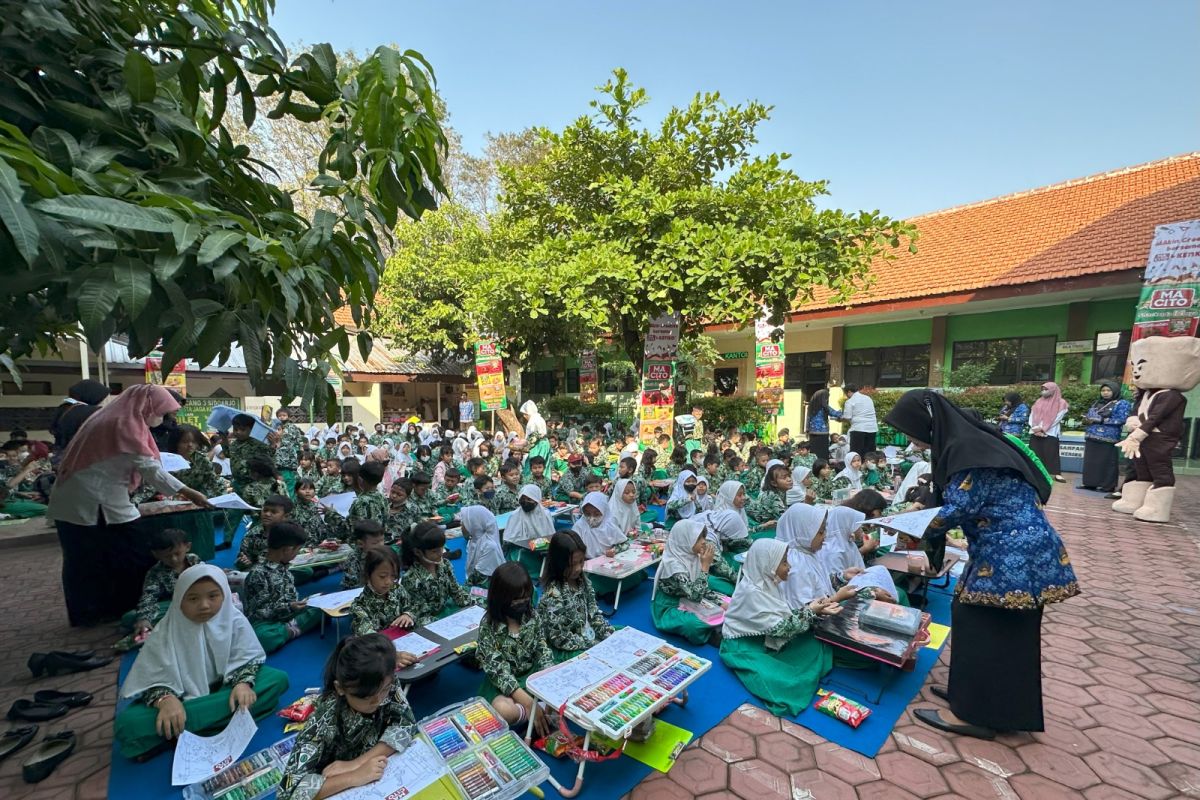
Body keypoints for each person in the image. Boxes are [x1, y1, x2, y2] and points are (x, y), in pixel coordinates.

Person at [885, 389, 1079, 738]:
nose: (910, 439)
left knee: (985, 626)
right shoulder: (970, 440)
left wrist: (902, 524)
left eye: (909, 429)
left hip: (1009, 554)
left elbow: (960, 507)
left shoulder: (964, 448)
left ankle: (974, 714)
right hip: (1013, 548)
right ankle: (980, 699)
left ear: (925, 423)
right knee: (996, 626)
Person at [48, 384, 210, 626]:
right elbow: (151, 469)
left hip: (90, 496)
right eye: (161, 411)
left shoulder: (114, 419)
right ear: (147, 406)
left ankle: (104, 610)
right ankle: (115, 609)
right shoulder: (124, 425)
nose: (162, 418)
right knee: (122, 551)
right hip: (92, 498)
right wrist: (190, 493)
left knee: (92, 556)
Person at [115, 565, 288, 760]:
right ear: (179, 600)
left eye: (213, 596)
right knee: (128, 723)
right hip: (182, 698)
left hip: (226, 688)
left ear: (224, 595)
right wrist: (166, 701)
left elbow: (247, 658)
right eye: (193, 599)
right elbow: (151, 676)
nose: (204, 605)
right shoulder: (167, 630)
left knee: (277, 679)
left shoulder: (234, 620)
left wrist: (242, 683)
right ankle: (218, 721)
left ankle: (175, 731)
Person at [277, 634, 419, 800]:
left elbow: (407, 723)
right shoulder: (323, 719)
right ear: (340, 688)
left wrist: (357, 763)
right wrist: (353, 777)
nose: (378, 701)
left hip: (373, 770)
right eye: (365, 697)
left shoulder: (383, 681)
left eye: (384, 690)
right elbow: (288, 794)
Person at [719, 538, 839, 716]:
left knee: (813, 643)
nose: (788, 566)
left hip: (765, 637)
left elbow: (783, 617)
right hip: (744, 646)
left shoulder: (768, 582)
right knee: (786, 684)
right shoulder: (752, 592)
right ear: (768, 564)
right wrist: (810, 611)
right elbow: (780, 628)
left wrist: (812, 610)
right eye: (784, 562)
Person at [476, 562, 554, 734]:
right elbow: (498, 671)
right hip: (503, 685)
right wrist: (528, 703)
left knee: (564, 682)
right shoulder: (489, 626)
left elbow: (542, 649)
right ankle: (533, 712)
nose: (523, 603)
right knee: (503, 710)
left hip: (532, 676)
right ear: (500, 599)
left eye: (526, 598)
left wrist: (549, 680)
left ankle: (537, 711)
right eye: (516, 600)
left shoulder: (531, 615)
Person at [243, 522, 323, 652]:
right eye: (297, 550)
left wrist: (301, 603)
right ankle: (291, 629)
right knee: (265, 637)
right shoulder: (257, 574)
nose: (296, 555)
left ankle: (290, 628)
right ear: (287, 550)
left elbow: (290, 597)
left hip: (290, 612)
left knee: (322, 605)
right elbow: (259, 613)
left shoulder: (283, 567)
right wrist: (289, 607)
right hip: (267, 622)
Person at [538, 531, 616, 661]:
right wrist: (592, 643)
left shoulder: (583, 582)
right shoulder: (553, 595)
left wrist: (608, 634)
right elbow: (559, 638)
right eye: (571, 564)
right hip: (568, 647)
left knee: (617, 635)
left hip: (585, 634)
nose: (578, 568)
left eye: (581, 561)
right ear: (559, 563)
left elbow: (593, 613)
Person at [651, 519, 725, 646]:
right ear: (684, 541)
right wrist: (705, 566)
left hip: (688, 598)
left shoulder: (691, 556)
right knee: (692, 625)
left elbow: (702, 590)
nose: (704, 541)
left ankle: (714, 626)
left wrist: (720, 602)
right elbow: (696, 596)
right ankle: (711, 634)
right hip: (669, 605)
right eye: (698, 538)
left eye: (703, 537)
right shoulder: (674, 566)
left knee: (725, 600)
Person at [347, 548, 419, 671]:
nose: (388, 582)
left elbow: (414, 606)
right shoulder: (358, 606)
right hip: (379, 652)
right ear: (368, 575)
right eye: (382, 576)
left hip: (403, 641)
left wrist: (408, 614)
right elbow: (369, 637)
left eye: (393, 576)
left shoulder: (397, 589)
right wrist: (393, 655)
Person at [126, 527, 202, 635]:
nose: (174, 559)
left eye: (177, 554)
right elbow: (149, 596)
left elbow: (207, 577)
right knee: (130, 617)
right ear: (156, 554)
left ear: (187, 547)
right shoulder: (155, 573)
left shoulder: (194, 559)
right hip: (175, 605)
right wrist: (144, 618)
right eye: (167, 556)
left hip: (200, 599)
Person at [399, 521, 476, 624]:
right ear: (418, 552)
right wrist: (446, 623)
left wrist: (475, 604)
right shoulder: (411, 578)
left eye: (442, 548)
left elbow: (456, 592)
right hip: (427, 620)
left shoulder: (445, 564)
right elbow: (419, 612)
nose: (440, 553)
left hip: (445, 613)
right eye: (434, 551)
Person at [1080, 380, 1131, 493]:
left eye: (1108, 390)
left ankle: (1107, 486)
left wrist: (1102, 420)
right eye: (1103, 390)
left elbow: (1122, 419)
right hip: (1092, 436)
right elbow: (1091, 415)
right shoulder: (1097, 402)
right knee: (1091, 461)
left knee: (1107, 462)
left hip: (1108, 437)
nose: (1105, 393)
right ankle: (1090, 483)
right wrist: (1087, 419)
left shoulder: (1122, 403)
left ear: (1115, 391)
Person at [236, 494, 291, 570]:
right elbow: (240, 561)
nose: (267, 514)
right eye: (265, 510)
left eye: (273, 512)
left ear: (286, 516)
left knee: (305, 571)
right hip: (258, 571)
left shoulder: (290, 533)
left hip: (283, 569)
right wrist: (244, 562)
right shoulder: (252, 534)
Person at [1028, 381, 1069, 483]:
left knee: (1051, 453)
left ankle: (1056, 473)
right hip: (1035, 430)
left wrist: (1043, 428)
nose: (1044, 391)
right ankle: (1036, 472)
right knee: (1035, 452)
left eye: (1046, 389)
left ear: (1053, 390)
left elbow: (1057, 418)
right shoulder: (1038, 401)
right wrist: (1035, 428)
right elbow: (1032, 415)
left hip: (1050, 431)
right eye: (1042, 389)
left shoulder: (1061, 403)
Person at [459, 504, 505, 587]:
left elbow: (476, 579)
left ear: (473, 523)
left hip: (490, 588)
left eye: (463, 522)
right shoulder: (474, 540)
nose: (461, 526)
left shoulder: (490, 547)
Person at [704, 480, 752, 554]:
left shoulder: (739, 509)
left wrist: (764, 526)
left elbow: (745, 530)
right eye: (739, 495)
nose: (743, 497)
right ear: (729, 497)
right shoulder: (722, 516)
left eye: (744, 494)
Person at [831, 384, 878, 455]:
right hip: (872, 428)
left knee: (856, 453)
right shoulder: (868, 398)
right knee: (869, 453)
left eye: (846, 394)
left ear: (849, 392)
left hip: (858, 429)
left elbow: (847, 417)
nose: (846, 396)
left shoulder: (850, 401)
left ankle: (857, 466)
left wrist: (838, 419)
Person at [342, 520, 386, 590]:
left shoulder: (385, 553)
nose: (381, 545)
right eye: (375, 543)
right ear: (360, 544)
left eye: (382, 540)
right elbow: (351, 586)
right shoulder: (353, 560)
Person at [805, 389, 832, 461]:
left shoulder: (810, 407)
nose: (826, 400)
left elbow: (808, 419)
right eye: (826, 398)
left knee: (814, 453)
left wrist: (807, 430)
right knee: (823, 454)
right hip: (823, 433)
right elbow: (834, 413)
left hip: (812, 433)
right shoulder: (824, 407)